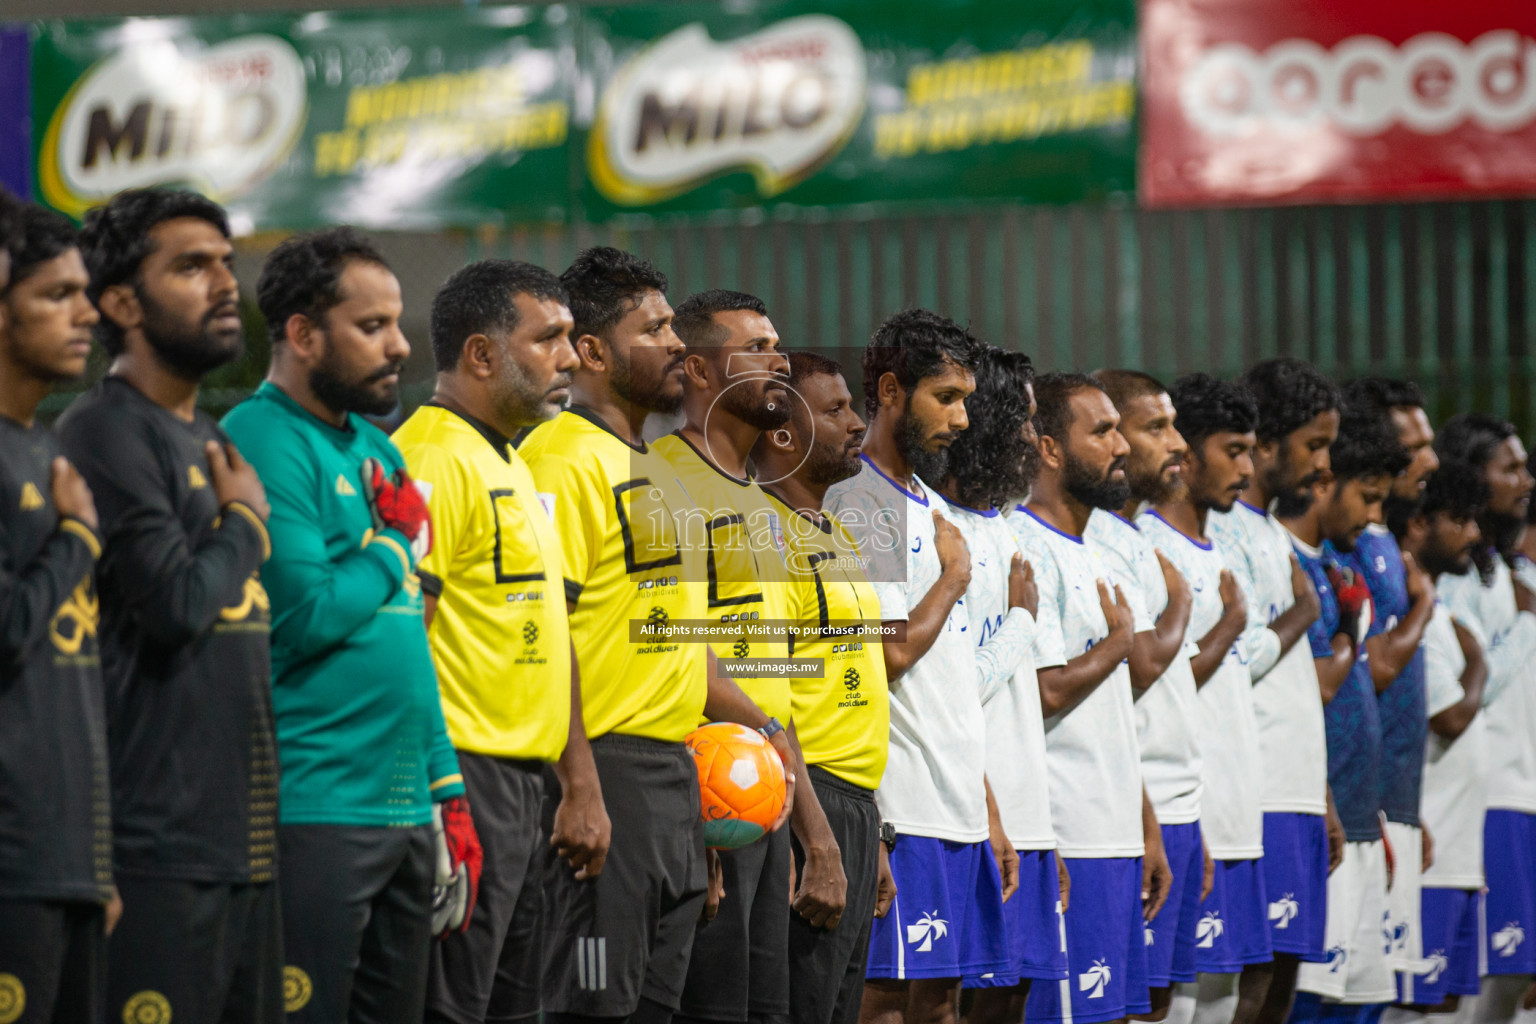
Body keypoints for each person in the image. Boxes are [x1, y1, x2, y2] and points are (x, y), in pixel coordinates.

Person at [520, 248, 793, 1024]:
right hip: (601, 769)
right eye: (656, 328)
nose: (677, 343)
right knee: (589, 1007)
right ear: (594, 353)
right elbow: (548, 632)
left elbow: (683, 649)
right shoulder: (557, 461)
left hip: (672, 781)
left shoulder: (663, 477)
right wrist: (578, 784)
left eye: (675, 324)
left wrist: (698, 816)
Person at [221, 227, 470, 1023]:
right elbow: (303, 616)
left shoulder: (376, 446)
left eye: (397, 323)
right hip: (314, 811)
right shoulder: (261, 439)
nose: (400, 346)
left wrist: (448, 789)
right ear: (301, 333)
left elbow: (408, 643)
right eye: (372, 327)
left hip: (402, 812)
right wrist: (397, 545)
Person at [59, 187, 282, 1023]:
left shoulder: (212, 438)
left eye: (226, 263)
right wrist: (244, 524)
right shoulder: (103, 431)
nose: (225, 283)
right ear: (120, 302)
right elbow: (175, 608)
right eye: (191, 266)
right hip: (156, 849)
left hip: (244, 843)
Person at [393, 259, 610, 1024]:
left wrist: (578, 781)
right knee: (450, 1004)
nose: (572, 358)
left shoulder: (510, 460)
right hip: (464, 778)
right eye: (548, 339)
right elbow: (401, 640)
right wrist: (431, 794)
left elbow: (553, 636)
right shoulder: (429, 460)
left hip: (525, 787)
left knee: (514, 1009)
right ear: (482, 355)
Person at [823, 310, 1012, 1024]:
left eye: (966, 399)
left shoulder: (934, 508)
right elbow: (889, 651)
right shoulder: (853, 499)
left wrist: (986, 805)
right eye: (947, 397)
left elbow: (952, 679)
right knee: (885, 1004)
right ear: (893, 391)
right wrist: (952, 581)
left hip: (958, 806)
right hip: (902, 807)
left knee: (940, 1006)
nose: (963, 419)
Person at [652, 290, 835, 1024]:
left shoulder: (763, 502)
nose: (779, 359)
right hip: (710, 794)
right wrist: (708, 817)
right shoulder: (662, 480)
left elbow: (769, 678)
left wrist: (801, 819)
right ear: (698, 369)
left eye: (778, 343)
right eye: (756, 347)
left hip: (767, 794)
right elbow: (677, 659)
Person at [1008, 371, 1173, 1024]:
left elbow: (1112, 716)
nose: (1122, 446)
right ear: (1050, 449)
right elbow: (1043, 692)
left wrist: (1146, 825)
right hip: (1068, 837)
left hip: (1115, 835)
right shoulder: (1027, 548)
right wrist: (1119, 642)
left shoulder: (1094, 551)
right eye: (1101, 431)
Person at [752, 352, 896, 1024]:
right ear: (781, 432)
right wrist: (820, 838)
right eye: (834, 409)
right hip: (810, 803)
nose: (857, 422)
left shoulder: (833, 531)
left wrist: (871, 835)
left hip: (855, 808)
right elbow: (767, 702)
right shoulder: (762, 536)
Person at [0, 200, 114, 1023]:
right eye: (55, 295)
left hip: (66, 863)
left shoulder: (45, 449)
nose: (87, 312)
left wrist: (93, 860)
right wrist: (75, 538)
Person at [934, 348, 1070, 1024]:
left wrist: (1048, 832)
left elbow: (1029, 704)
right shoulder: (938, 527)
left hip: (1028, 821)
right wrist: (1019, 620)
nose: (1030, 438)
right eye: (1021, 418)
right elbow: (953, 686)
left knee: (1012, 1005)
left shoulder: (1013, 533)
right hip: (968, 816)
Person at [1205, 359, 1333, 1024]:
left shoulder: (1266, 532)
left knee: (1279, 986)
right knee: (1248, 985)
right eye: (1313, 444)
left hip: (1297, 789)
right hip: (1256, 794)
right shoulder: (1219, 532)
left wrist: (1325, 796)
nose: (1323, 463)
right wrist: (1302, 613)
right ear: (1267, 444)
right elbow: (1234, 660)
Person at [1144, 374, 1273, 1024]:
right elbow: (1159, 683)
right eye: (1234, 450)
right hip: (1191, 807)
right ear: (1186, 454)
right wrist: (1226, 627)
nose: (1247, 470)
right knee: (1176, 999)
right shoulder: (1151, 548)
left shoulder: (1228, 546)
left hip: (1237, 805)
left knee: (1226, 994)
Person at [1280, 401, 1410, 1024]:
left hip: (1358, 819)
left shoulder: (1338, 564)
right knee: (1305, 1003)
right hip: (1318, 824)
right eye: (1368, 496)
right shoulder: (1291, 564)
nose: (1374, 515)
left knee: (1360, 1005)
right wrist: (1350, 629)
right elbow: (1318, 688)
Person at [1087, 370, 1208, 1023]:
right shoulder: (1093, 542)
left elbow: (1178, 689)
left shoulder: (1134, 540)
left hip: (1177, 805)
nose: (1177, 443)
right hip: (1132, 806)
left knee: (1171, 1004)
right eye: (1154, 427)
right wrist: (1183, 604)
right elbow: (1135, 671)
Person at [1338, 379, 1441, 999]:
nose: (1424, 462)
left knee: (1376, 995)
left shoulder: (1380, 541)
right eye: (1412, 445)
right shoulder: (1360, 546)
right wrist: (1424, 606)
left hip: (1388, 802)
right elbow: (1370, 669)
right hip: (1357, 806)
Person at [1431, 414, 1536, 1024]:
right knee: (1480, 974)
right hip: (1490, 794)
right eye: (1510, 467)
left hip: (1523, 792)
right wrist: (1525, 624)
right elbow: (1472, 687)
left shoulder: (1511, 572)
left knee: (1515, 972)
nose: (1525, 479)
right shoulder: (1455, 579)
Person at [1384, 459, 1492, 1021]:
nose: (1473, 534)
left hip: (1458, 851)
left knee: (1445, 1007)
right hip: (1428, 850)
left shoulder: (1439, 605)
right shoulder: (1408, 604)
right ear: (1420, 524)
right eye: (1460, 519)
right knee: (1408, 1009)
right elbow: (1449, 718)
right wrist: (1480, 661)